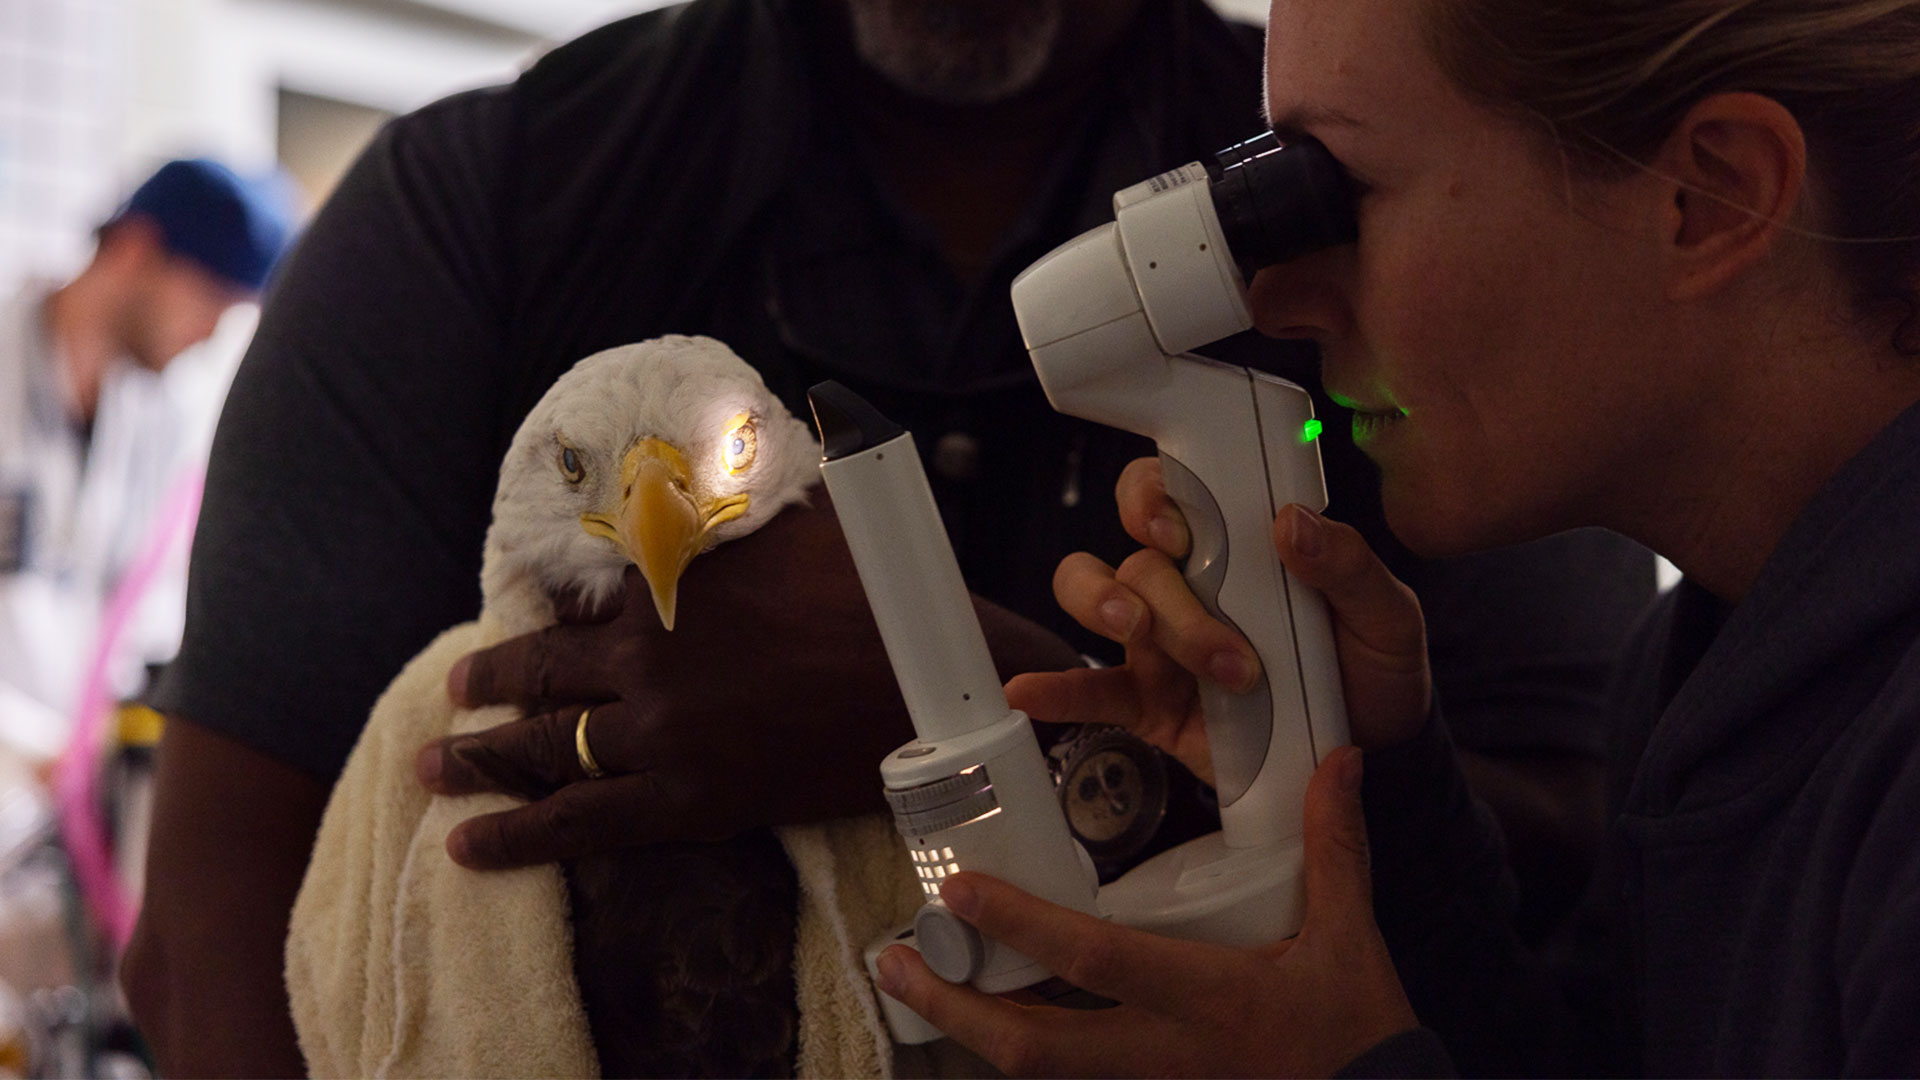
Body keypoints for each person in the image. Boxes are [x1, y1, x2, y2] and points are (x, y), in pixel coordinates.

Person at [121, 1, 1654, 1074]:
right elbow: (205, 948)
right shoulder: (478, 211)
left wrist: (996, 726)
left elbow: (1576, 903)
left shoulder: (1389, 182)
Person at [874, 0, 1920, 1074]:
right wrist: (1365, 790)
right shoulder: (1707, 664)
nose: (1277, 300)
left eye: (1337, 191)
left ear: (1711, 197)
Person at [0, 158, 295, 758]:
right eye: (210, 296)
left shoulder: (163, 421)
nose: (212, 331)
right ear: (135, 250)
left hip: (59, 800)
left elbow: (137, 620)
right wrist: (32, 744)